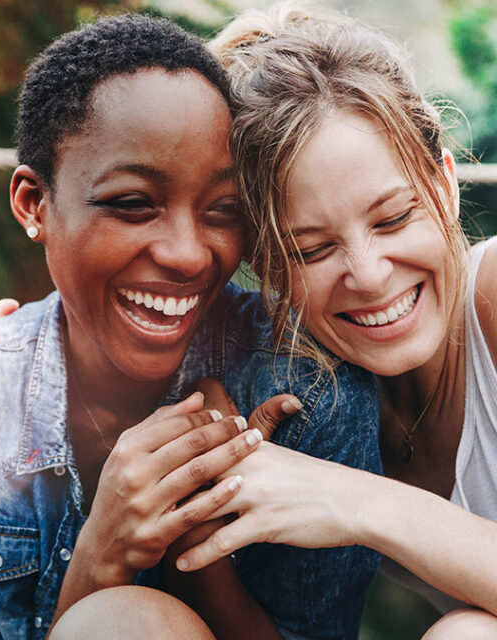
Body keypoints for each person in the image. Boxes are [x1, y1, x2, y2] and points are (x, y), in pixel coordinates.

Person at [0, 13, 381, 640]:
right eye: (133, 204)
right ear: (33, 203)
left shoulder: (308, 392)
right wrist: (103, 553)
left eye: (224, 209)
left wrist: (198, 542)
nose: (187, 254)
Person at [163, 4, 497, 638]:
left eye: (394, 217)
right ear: (262, 265)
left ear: (446, 185)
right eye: (310, 250)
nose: (370, 275)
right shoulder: (311, 392)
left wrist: (358, 502)